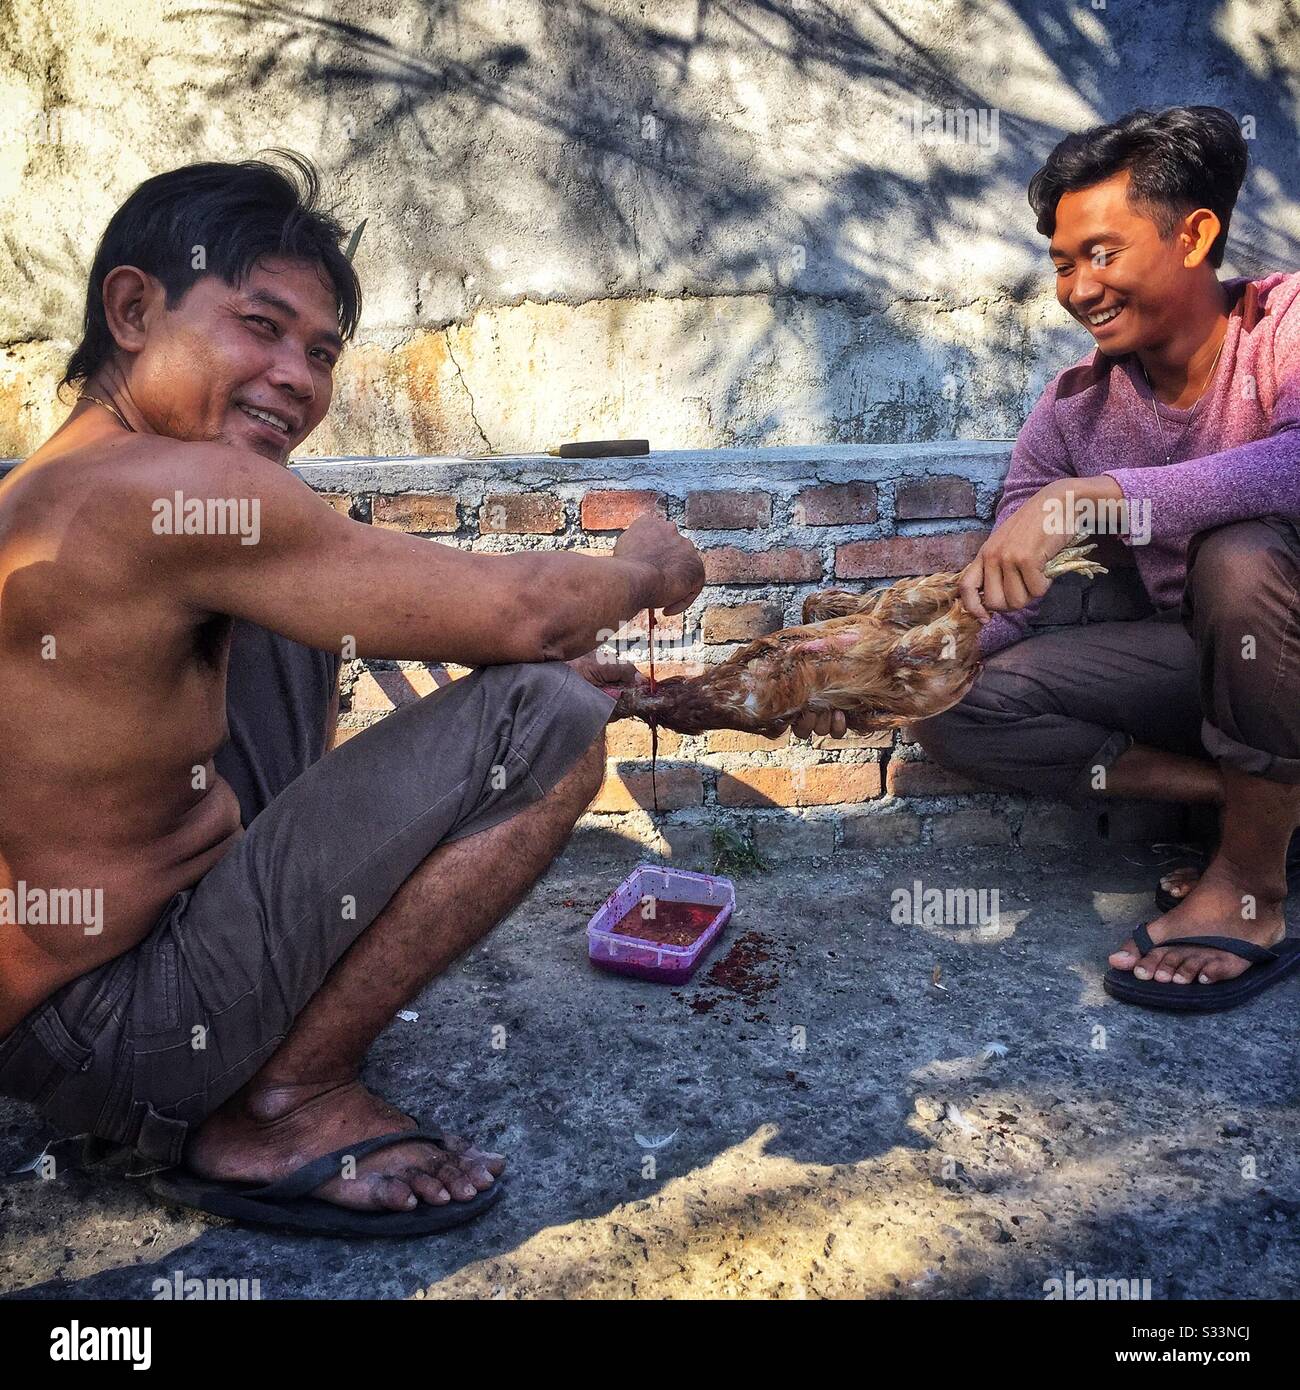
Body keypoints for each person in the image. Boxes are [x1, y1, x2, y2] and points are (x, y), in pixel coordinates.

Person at [0, 152, 844, 1234]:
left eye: (319, 351)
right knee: (551, 717)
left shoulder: (48, 489)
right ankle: (279, 1104)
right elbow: (522, 615)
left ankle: (244, 1046)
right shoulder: (177, 489)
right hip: (122, 1029)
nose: (297, 378)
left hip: (60, 1012)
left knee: (300, 619)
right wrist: (649, 567)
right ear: (131, 309)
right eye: (259, 326)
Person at [915, 106, 1300, 1011]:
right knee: (955, 704)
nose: (1079, 286)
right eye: (1060, 263)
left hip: (1283, 638)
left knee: (1239, 559)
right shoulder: (1072, 409)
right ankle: (1258, 811)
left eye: (1101, 253)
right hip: (1217, 671)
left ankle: (1250, 890)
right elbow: (1011, 581)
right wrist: (890, 662)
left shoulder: (1285, 325)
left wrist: (1102, 497)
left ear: (1196, 233)